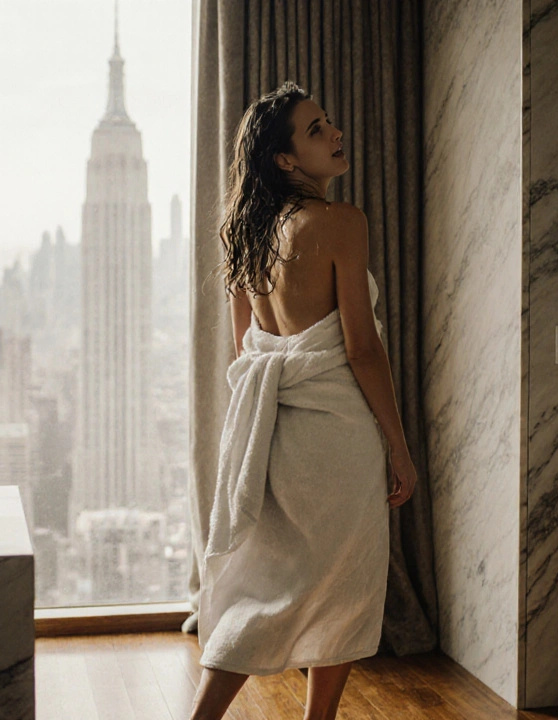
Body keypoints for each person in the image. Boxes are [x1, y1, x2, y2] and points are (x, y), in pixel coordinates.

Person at [189, 81, 418, 720]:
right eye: (317, 130)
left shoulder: (246, 235)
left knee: (265, 590)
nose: (335, 133)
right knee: (343, 586)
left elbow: (245, 348)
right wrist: (398, 447)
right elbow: (363, 349)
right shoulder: (340, 222)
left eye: (329, 122)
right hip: (338, 436)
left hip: (276, 434)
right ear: (286, 158)